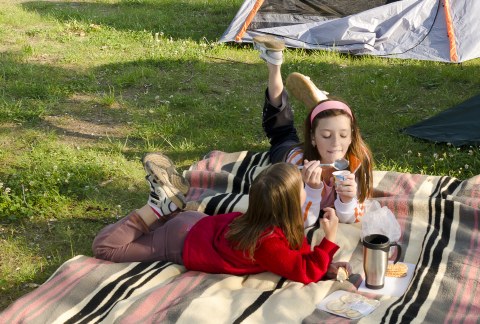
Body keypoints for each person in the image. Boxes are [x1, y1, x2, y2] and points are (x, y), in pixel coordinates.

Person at [92, 159, 350, 284]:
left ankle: (166, 209)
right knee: (106, 246)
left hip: (194, 222)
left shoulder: (265, 222)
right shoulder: (266, 244)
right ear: (290, 205)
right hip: (181, 241)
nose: (307, 190)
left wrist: (325, 262)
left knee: (119, 233)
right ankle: (156, 208)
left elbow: (297, 255)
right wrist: (329, 240)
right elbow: (303, 272)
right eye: (303, 189)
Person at [253, 35, 374, 228]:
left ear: (352, 136)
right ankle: (274, 63)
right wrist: (312, 189)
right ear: (312, 138)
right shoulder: (296, 161)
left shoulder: (359, 160)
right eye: (326, 136)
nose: (336, 143)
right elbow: (300, 221)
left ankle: (322, 108)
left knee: (293, 129)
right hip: (294, 153)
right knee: (281, 132)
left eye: (343, 135)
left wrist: (347, 200)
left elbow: (353, 217)